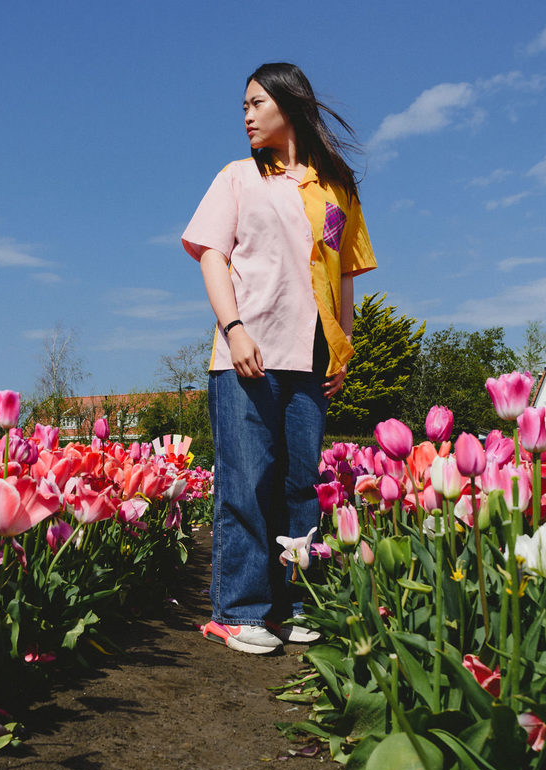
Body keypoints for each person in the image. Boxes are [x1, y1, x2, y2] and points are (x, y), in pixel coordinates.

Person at [181, 63, 376, 654]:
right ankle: (237, 610)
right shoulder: (237, 178)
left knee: (298, 487)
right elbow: (211, 256)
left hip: (310, 358)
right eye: (243, 105)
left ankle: (294, 606)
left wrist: (343, 344)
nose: (245, 114)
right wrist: (234, 329)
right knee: (246, 481)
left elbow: (343, 274)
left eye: (255, 103)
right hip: (246, 354)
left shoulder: (337, 189)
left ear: (288, 106)